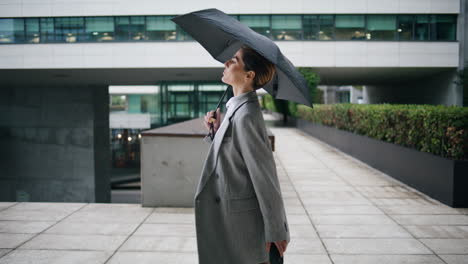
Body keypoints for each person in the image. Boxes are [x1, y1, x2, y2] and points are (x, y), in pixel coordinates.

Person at [195, 45, 290, 264]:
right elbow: (234, 156)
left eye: (234, 60)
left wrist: (276, 231)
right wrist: (217, 131)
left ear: (249, 75)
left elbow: (265, 176)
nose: (226, 63)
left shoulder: (246, 115)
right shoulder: (236, 109)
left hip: (245, 225)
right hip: (234, 219)